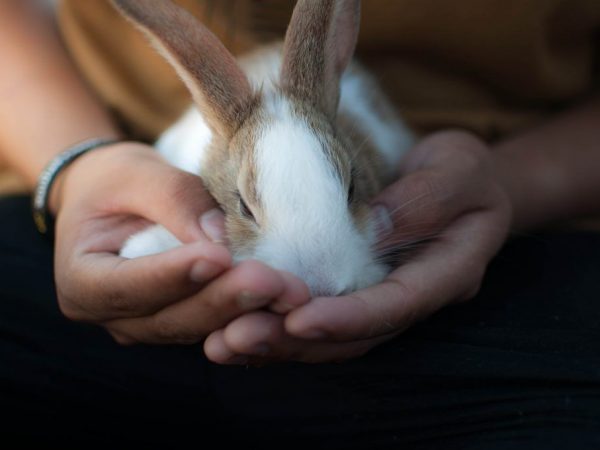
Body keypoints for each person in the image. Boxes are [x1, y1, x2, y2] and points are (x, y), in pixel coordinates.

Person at [0, 0, 599, 448]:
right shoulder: (190, 155)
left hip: (505, 214)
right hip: (90, 168)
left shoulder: (373, 144)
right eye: (247, 210)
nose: (321, 279)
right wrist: (79, 167)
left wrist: (511, 184)